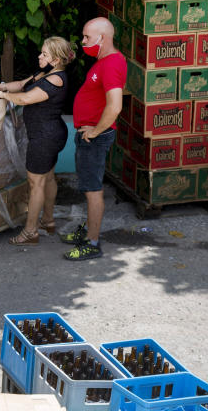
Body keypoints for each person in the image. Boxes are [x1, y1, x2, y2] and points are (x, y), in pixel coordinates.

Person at [0, 37, 75, 245]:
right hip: (50, 134)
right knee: (48, 178)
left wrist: (3, 97)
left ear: (55, 60)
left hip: (45, 138)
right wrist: (0, 86)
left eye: (44, 54)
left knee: (35, 183)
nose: (39, 56)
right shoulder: (46, 72)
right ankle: (48, 221)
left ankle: (30, 232)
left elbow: (26, 98)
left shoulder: (55, 80)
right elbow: (20, 85)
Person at [56, 17, 126, 261]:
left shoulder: (112, 64)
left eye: (87, 37)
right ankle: (87, 232)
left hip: (94, 137)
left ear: (102, 38)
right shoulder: (102, 61)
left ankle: (92, 243)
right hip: (90, 135)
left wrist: (95, 131)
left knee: (93, 190)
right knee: (89, 188)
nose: (83, 41)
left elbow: (115, 106)